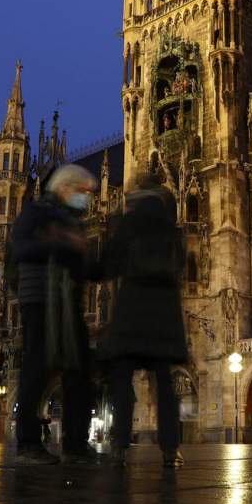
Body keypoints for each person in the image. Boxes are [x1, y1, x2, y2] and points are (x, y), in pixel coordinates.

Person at [12, 164, 98, 465]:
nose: (86, 198)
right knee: (36, 370)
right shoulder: (36, 212)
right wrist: (58, 241)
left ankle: (76, 444)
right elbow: (20, 249)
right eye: (82, 191)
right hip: (40, 300)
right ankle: (28, 444)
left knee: (79, 373)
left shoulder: (74, 221)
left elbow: (84, 266)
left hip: (69, 304)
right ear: (65, 188)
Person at [101, 175, 188, 468]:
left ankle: (120, 445)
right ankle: (170, 448)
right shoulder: (171, 228)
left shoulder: (128, 225)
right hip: (165, 314)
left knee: (123, 381)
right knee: (165, 383)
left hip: (132, 312)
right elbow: (182, 263)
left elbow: (110, 262)